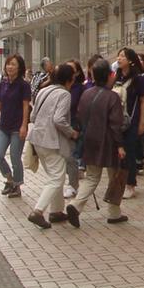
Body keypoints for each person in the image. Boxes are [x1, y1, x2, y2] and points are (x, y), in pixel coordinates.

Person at [67, 58, 129, 226]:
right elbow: (116, 124)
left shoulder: (86, 94)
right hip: (109, 143)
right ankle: (114, 213)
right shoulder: (113, 97)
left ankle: (75, 204)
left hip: (89, 141)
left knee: (92, 177)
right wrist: (120, 145)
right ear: (110, 75)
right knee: (114, 177)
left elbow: (80, 118)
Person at [25, 63, 80, 229]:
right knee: (57, 178)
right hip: (52, 141)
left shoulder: (43, 91)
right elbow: (59, 120)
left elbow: (33, 115)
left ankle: (56, 211)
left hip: (37, 139)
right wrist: (72, 133)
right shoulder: (64, 94)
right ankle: (38, 211)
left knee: (54, 176)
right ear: (69, 79)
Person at [114, 48, 144, 199]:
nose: (119, 58)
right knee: (120, 153)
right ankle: (122, 183)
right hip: (118, 121)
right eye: (119, 55)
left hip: (132, 120)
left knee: (129, 153)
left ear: (130, 60)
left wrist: (143, 122)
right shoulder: (117, 76)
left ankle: (131, 184)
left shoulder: (139, 78)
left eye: (122, 56)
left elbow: (143, 101)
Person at [0, 54, 32, 198]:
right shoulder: (2, 84)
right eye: (8, 64)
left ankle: (17, 185)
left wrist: (24, 126)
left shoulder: (24, 85)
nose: (10, 67)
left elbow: (26, 106)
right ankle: (9, 179)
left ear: (19, 67)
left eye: (13, 64)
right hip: (4, 126)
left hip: (17, 127)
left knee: (15, 157)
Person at [63, 60, 86, 199]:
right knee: (65, 157)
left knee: (71, 156)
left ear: (77, 72)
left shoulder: (80, 89)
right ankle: (72, 180)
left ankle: (72, 185)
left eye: (72, 69)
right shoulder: (59, 88)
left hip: (74, 124)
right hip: (62, 124)